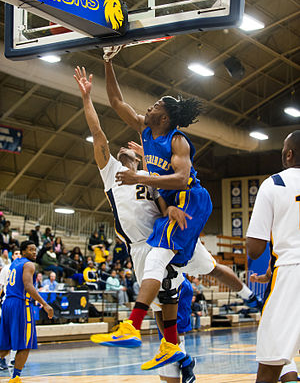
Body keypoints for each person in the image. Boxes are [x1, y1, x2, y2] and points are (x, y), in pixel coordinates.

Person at [74, 65, 260, 372]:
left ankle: (136, 327)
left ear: (165, 116)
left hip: (188, 201)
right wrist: (108, 63)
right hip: (164, 219)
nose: (148, 107)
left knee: (163, 273)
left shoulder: (175, 142)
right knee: (207, 267)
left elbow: (182, 178)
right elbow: (118, 103)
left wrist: (148, 184)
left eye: (156, 105)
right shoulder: (140, 144)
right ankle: (248, 298)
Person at [246, 130, 300, 383]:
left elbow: (255, 248)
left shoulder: (275, 183)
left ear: (289, 154)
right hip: (286, 268)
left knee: (270, 359)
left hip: (290, 274)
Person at [0, 240, 53, 382]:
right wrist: (45, 304)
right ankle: (15, 378)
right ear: (23, 251)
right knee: (25, 343)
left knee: (6, 345)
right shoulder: (28, 264)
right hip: (20, 305)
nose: (34, 252)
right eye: (31, 250)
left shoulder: (14, 264)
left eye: (35, 250)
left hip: (7, 303)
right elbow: (28, 286)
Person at [250, 263, 300, 383]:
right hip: (281, 303)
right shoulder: (278, 260)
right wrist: (257, 279)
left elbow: (254, 249)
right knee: (281, 349)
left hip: (282, 304)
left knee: (277, 349)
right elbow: (268, 275)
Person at [0, 247, 21, 372]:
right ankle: (2, 358)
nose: (18, 256)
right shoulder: (6, 269)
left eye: (20, 254)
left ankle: (13, 359)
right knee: (6, 332)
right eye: (16, 254)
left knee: (16, 331)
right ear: (13, 256)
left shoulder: (24, 268)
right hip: (7, 303)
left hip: (18, 304)